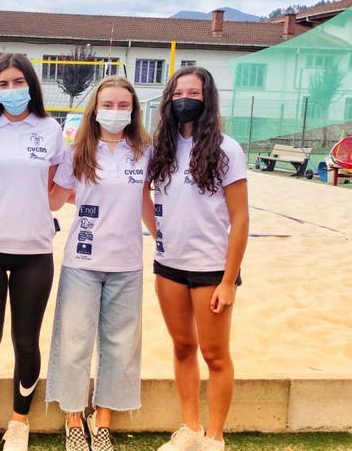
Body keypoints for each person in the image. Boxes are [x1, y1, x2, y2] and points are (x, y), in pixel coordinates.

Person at [0, 53, 64, 451]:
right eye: (3, 84)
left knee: (26, 340)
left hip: (34, 249)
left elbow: (57, 191)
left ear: (31, 85)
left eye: (18, 82)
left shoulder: (50, 130)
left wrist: (37, 207)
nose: (11, 90)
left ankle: (19, 422)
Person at [45, 76, 155, 451]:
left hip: (127, 262)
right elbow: (55, 201)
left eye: (123, 105)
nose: (115, 111)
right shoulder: (77, 152)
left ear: (133, 111)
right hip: (83, 260)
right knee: (75, 341)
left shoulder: (143, 151)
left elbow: (144, 199)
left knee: (121, 343)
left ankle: (102, 417)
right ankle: (73, 415)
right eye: (108, 105)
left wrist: (162, 236)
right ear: (95, 109)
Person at [149, 67, 249, 451]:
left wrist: (229, 280)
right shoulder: (162, 146)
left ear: (207, 99)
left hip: (211, 268)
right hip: (169, 265)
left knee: (215, 354)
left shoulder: (227, 149)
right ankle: (190, 429)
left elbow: (240, 219)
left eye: (193, 92)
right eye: (177, 93)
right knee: (182, 347)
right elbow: (145, 195)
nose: (184, 99)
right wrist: (158, 233)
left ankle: (215, 436)